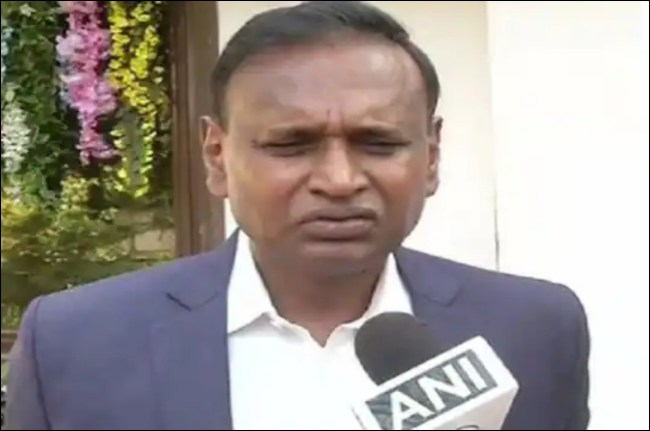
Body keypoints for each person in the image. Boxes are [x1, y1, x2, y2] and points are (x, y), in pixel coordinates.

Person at [5, 1, 590, 430]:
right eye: (291, 145)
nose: (339, 180)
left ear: (431, 157)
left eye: (379, 143)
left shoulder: (535, 329)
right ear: (217, 157)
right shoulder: (76, 343)